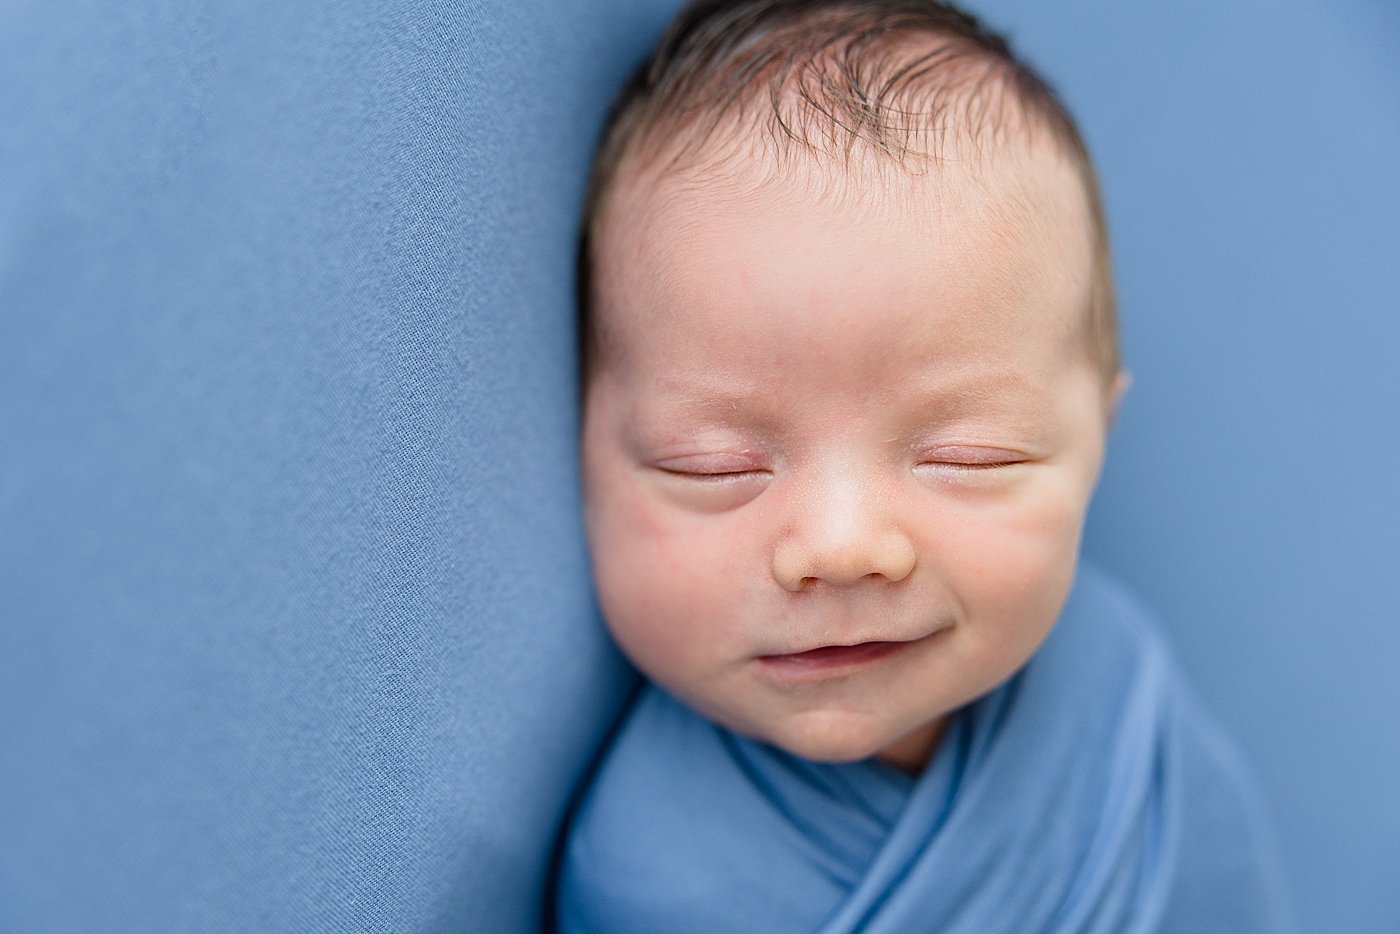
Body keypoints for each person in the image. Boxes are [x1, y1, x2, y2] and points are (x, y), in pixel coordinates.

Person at [555, 1, 1295, 930]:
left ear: (1097, 439)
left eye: (965, 456)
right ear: (581, 458)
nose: (840, 544)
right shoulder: (654, 875)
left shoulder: (1112, 695)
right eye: (715, 466)